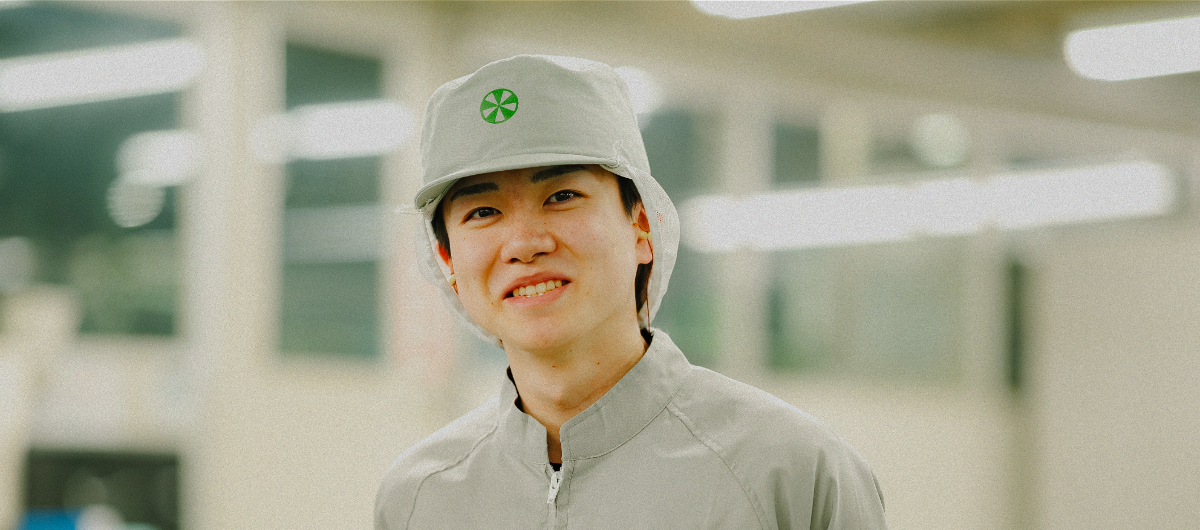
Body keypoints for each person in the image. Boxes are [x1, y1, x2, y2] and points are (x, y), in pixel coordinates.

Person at [375, 54, 888, 529]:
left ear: (642, 225)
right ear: (447, 261)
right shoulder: (419, 498)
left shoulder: (787, 471)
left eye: (562, 195)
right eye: (483, 212)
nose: (525, 244)